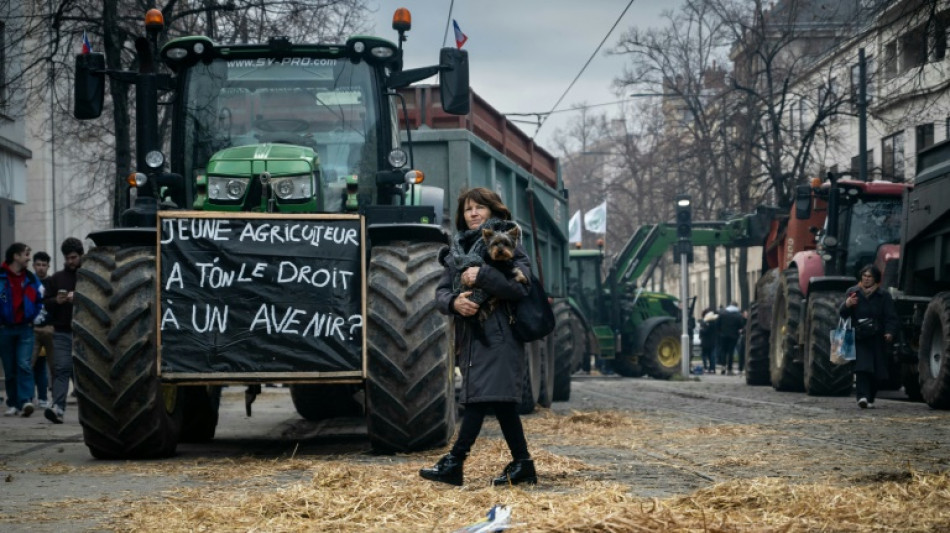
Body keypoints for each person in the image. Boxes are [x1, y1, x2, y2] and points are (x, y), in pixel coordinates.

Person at [421, 187, 536, 487]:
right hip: (471, 337)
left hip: (500, 336)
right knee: (500, 403)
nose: (472, 213)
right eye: (468, 209)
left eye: (479, 208)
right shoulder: (458, 250)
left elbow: (521, 287)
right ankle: (523, 465)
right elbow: (442, 292)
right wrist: (454, 303)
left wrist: (481, 275)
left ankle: (455, 462)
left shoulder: (509, 242)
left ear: (492, 211)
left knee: (477, 400)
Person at [840, 264, 898, 409]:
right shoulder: (853, 293)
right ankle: (862, 397)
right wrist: (847, 304)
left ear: (875, 279)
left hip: (877, 338)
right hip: (859, 337)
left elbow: (890, 317)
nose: (866, 279)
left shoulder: (883, 296)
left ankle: (870, 397)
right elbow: (842, 314)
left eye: (869, 276)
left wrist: (890, 332)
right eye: (864, 276)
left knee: (877, 372)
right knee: (862, 368)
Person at [0, 243, 44, 417]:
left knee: (24, 364)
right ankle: (13, 403)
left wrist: (34, 316)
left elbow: (40, 299)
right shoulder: (1, 277)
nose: (28, 258)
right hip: (4, 329)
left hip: (26, 328)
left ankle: (26, 400)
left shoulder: (32, 279)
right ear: (15, 256)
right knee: (9, 369)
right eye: (26, 254)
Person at [44, 237, 84, 424]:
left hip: (85, 334)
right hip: (62, 332)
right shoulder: (56, 279)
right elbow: (44, 304)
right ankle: (58, 408)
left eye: (73, 257)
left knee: (84, 374)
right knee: (61, 369)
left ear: (81, 256)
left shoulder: (89, 277)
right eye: (67, 258)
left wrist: (81, 297)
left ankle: (90, 413)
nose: (70, 261)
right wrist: (55, 301)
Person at [31, 251, 54, 409]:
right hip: (31, 329)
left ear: (48, 266)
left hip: (49, 328)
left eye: (43, 265)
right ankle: (28, 397)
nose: (41, 268)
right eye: (38, 265)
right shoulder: (29, 283)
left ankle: (44, 397)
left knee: (49, 366)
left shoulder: (52, 283)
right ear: (34, 266)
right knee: (31, 364)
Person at [717, 302, 744, 375]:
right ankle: (729, 369)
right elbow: (741, 326)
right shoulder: (738, 315)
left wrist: (720, 332)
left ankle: (723, 366)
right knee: (731, 352)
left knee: (723, 351)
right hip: (733, 336)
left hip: (723, 335)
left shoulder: (723, 314)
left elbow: (718, 324)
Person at [699, 307, 718, 373]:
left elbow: (703, 332)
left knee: (704, 355)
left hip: (705, 341)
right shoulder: (715, 323)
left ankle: (705, 367)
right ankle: (712, 368)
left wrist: (701, 332)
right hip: (713, 341)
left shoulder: (704, 322)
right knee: (712, 355)